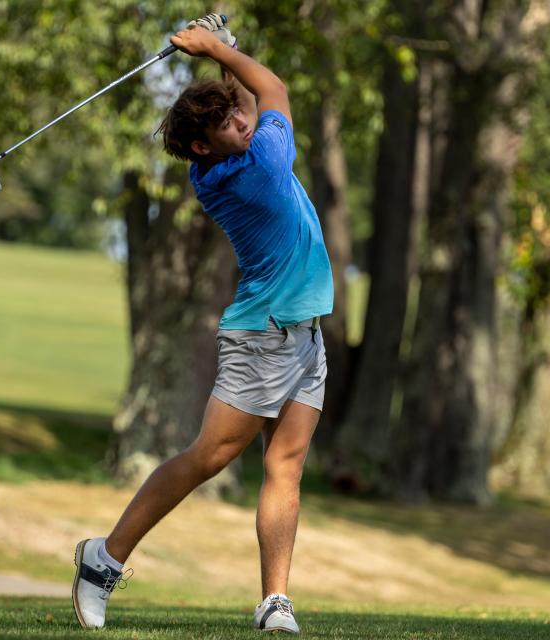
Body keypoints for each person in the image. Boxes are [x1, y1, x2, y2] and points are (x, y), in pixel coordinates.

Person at [72, 14, 333, 635]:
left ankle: (275, 601)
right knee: (207, 457)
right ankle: (102, 561)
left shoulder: (217, 163)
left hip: (304, 335)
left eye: (238, 117)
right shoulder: (258, 166)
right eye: (225, 123)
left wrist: (223, 57)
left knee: (285, 467)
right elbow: (274, 93)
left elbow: (249, 98)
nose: (242, 122)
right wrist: (218, 49)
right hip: (263, 335)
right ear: (201, 145)